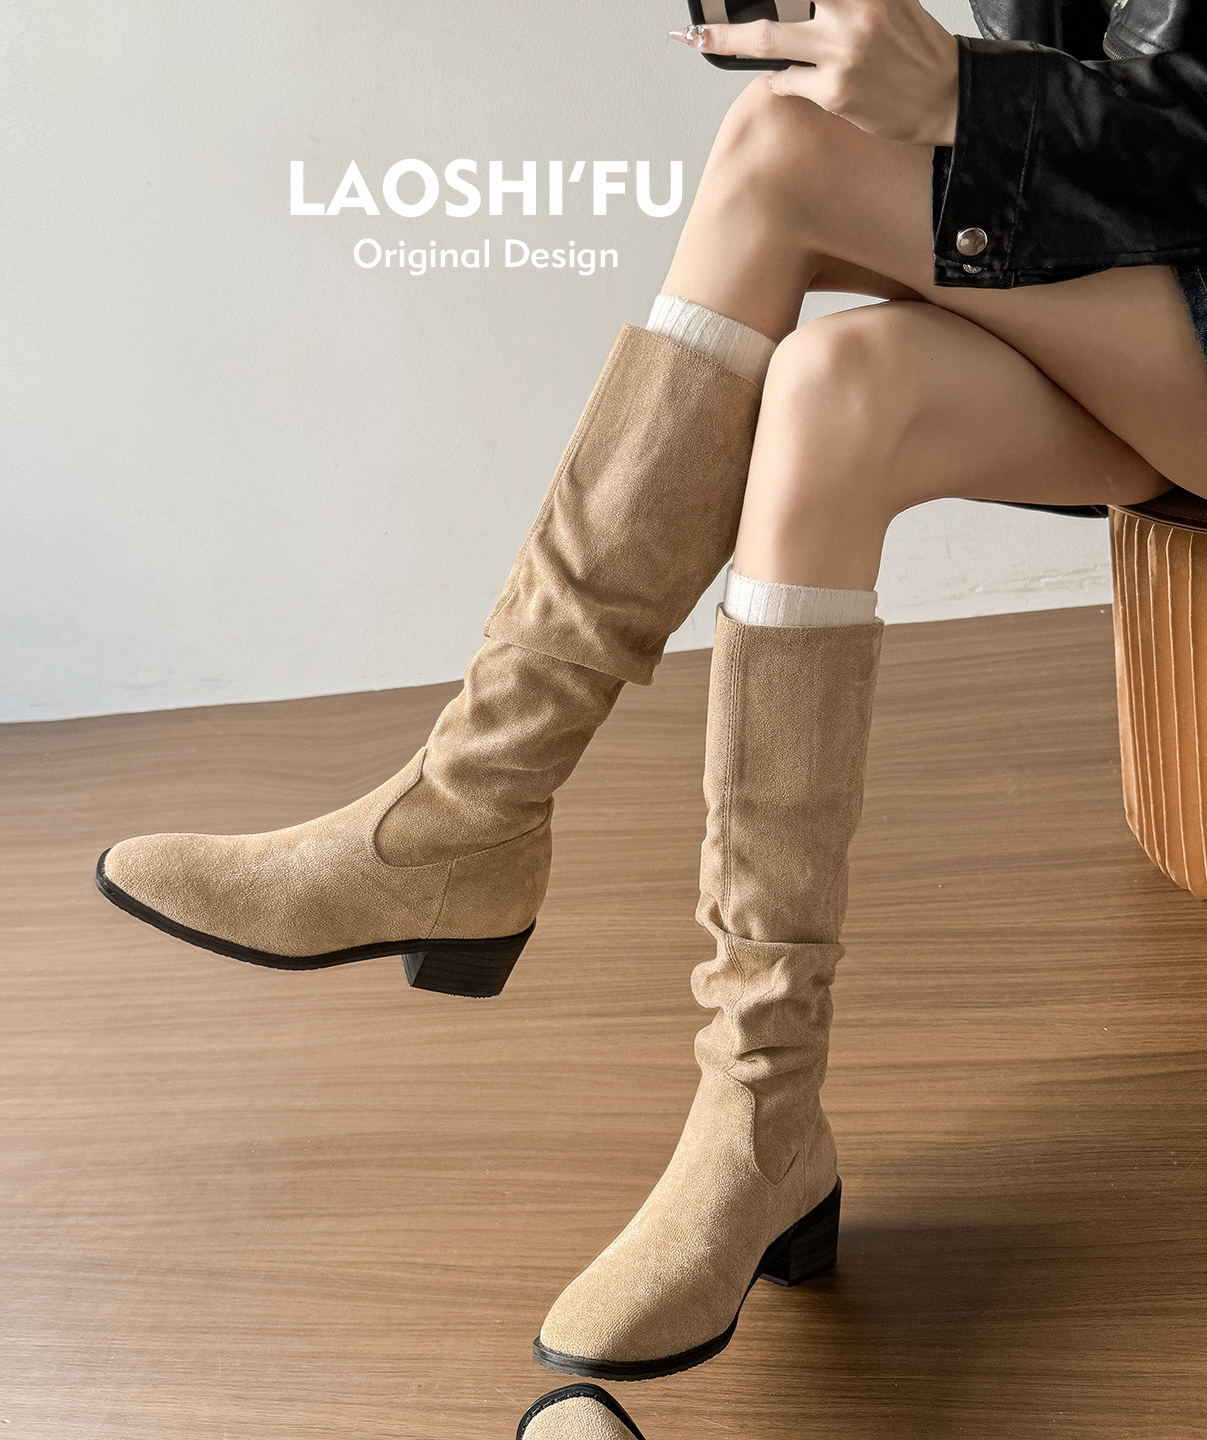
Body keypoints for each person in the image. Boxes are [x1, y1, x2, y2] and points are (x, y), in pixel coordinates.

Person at [96, 0, 1207, 1399]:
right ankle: (761, 1116)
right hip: (1157, 307)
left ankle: (470, 807)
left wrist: (964, 100)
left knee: (779, 152)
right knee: (828, 390)